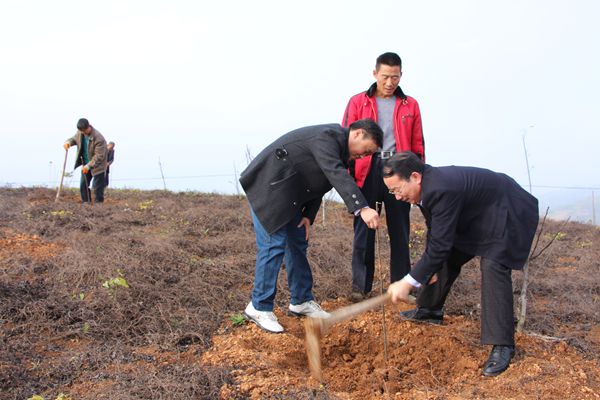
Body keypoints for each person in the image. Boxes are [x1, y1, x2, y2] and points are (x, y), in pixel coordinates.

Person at [383, 152, 539, 377]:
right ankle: (429, 310)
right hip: (479, 213)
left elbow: (439, 246)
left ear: (415, 177)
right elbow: (436, 233)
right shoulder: (425, 189)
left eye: (398, 189)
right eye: (392, 192)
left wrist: (409, 281)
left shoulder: (440, 188)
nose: (397, 197)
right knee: (444, 255)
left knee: (493, 264)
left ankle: (503, 345)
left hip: (509, 209)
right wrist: (428, 269)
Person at [239, 119, 383, 333]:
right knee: (273, 244)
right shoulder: (327, 137)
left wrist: (308, 215)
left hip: (290, 195)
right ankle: (259, 306)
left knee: (297, 243)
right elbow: (334, 172)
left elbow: (320, 182)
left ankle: (301, 301)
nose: (364, 156)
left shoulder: (340, 152)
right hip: (269, 188)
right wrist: (362, 207)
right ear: (358, 134)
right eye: (367, 150)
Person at [342, 52, 425, 301]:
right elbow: (346, 138)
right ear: (375, 73)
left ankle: (401, 287)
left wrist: (418, 176)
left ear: (401, 75)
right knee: (363, 227)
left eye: (395, 77)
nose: (390, 82)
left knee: (400, 229)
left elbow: (418, 144)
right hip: (366, 166)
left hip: (398, 168)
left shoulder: (410, 105)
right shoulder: (358, 102)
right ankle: (360, 287)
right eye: (385, 76)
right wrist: (348, 175)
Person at [63, 118, 107, 203]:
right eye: (81, 131)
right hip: (85, 164)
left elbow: (99, 156)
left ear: (88, 126)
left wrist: (88, 166)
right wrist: (68, 143)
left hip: (98, 166)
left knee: (97, 188)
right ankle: (86, 203)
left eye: (84, 130)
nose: (83, 133)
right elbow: (74, 139)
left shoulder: (99, 138)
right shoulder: (80, 133)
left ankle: (99, 206)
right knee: (83, 185)